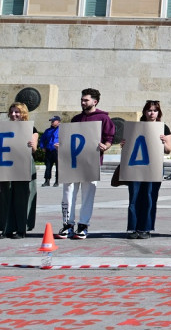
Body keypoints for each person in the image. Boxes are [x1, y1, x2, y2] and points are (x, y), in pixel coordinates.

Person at [57, 88, 116, 240]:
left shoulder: (103, 118)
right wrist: (62, 145)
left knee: (88, 194)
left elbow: (109, 138)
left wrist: (106, 146)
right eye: (82, 100)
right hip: (73, 162)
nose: (82, 102)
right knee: (68, 192)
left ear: (94, 102)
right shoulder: (76, 119)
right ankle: (67, 224)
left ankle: (83, 225)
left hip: (91, 162)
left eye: (86, 100)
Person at [121, 100, 171, 239]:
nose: (152, 113)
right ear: (144, 111)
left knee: (149, 197)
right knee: (134, 198)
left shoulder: (163, 128)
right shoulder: (135, 127)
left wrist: (163, 142)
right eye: (149, 110)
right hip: (136, 167)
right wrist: (124, 144)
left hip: (153, 168)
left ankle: (146, 228)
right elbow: (127, 147)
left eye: (155, 110)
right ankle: (133, 228)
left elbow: (169, 150)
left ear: (158, 113)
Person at [0, 102, 39, 239]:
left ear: (23, 113)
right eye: (11, 112)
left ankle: (21, 229)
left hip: (23, 165)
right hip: (6, 165)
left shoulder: (31, 129)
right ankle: (6, 229)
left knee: (22, 197)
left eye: (17, 112)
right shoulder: (3, 128)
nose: (13, 114)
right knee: (4, 197)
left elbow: (34, 149)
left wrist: (32, 144)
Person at [39, 117, 60, 186]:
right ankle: (47, 181)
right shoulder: (47, 131)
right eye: (51, 121)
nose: (52, 122)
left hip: (57, 151)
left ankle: (57, 181)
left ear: (58, 121)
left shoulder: (62, 130)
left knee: (58, 167)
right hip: (49, 150)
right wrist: (42, 147)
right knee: (48, 166)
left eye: (53, 121)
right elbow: (42, 139)